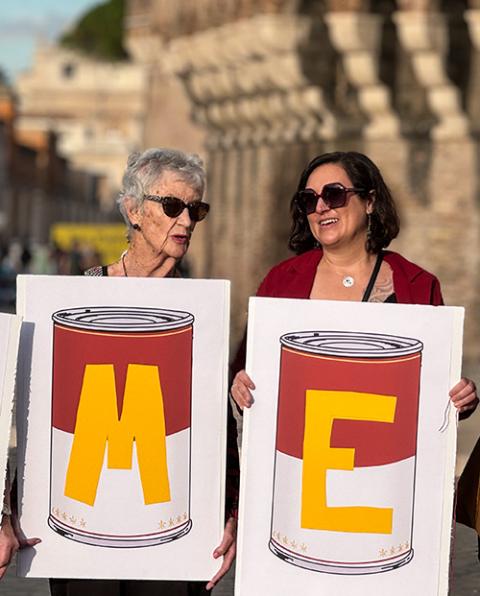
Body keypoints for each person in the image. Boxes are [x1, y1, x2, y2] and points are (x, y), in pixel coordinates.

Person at [0, 148, 238, 593]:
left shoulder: (200, 312)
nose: (185, 221)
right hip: (84, 529)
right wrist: (10, 514)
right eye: (172, 206)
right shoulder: (76, 299)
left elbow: (214, 428)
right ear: (133, 210)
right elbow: (36, 414)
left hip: (169, 531)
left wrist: (230, 513)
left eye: (196, 209)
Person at [231, 151, 478, 419]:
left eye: (334, 194)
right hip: (305, 448)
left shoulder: (417, 285)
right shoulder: (281, 281)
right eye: (309, 199)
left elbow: (435, 389)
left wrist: (461, 398)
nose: (321, 207)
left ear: (369, 201)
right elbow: (246, 372)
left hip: (383, 447)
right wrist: (240, 387)